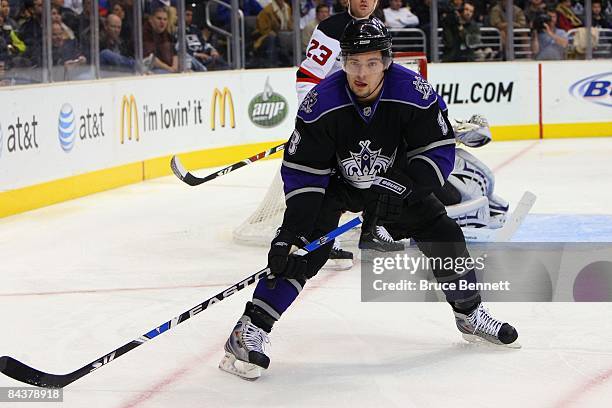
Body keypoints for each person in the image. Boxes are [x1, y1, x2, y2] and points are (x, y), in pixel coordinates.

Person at [219, 18, 520, 381]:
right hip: (335, 183)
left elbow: (438, 149)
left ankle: (470, 315)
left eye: (372, 63)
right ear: (343, 61)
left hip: (395, 180)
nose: (361, 73)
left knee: (444, 235)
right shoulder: (321, 103)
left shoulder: (413, 91)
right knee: (302, 252)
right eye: (354, 62)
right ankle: (249, 329)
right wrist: (293, 231)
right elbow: (304, 173)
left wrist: (407, 189)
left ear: (387, 62)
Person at [143, 6, 178, 73]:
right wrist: (170, 69)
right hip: (151, 68)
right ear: (150, 19)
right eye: (159, 18)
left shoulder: (166, 34)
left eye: (165, 19)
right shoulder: (145, 33)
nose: (162, 22)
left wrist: (174, 68)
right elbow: (150, 59)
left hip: (168, 68)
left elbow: (174, 54)